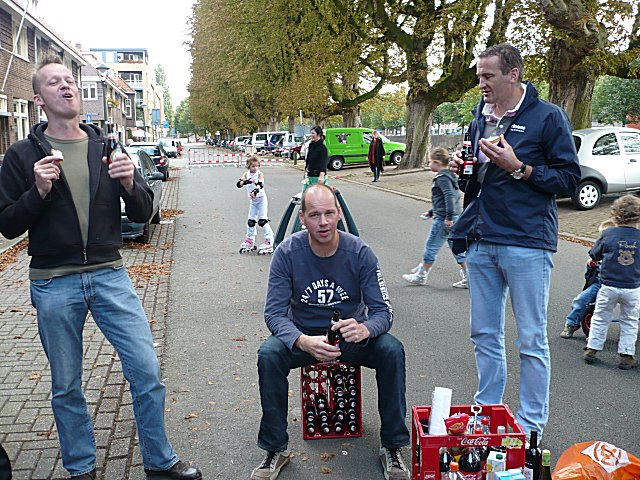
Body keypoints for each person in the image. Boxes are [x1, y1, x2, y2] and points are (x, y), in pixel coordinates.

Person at [0, 57, 201, 480]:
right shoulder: (21, 155)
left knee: (146, 369)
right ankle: (81, 468)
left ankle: (159, 461)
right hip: (54, 281)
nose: (66, 87)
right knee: (67, 385)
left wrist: (130, 183)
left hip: (110, 273)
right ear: (38, 99)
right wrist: (38, 190)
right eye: (54, 83)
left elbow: (144, 212)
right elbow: (8, 225)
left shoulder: (105, 147)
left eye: (69, 80)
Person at [448, 43, 581, 437]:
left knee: (532, 339)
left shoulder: (548, 117)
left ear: (513, 74)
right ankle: (487, 411)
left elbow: (569, 181)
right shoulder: (480, 117)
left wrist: (520, 168)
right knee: (484, 334)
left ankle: (531, 425)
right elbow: (476, 183)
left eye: (488, 76)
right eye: (479, 77)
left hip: (527, 242)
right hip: (481, 238)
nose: (481, 84)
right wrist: (462, 170)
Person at [251, 184, 410, 480]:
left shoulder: (360, 252)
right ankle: (275, 448)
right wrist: (301, 340)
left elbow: (384, 312)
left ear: (338, 214)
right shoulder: (287, 253)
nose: (323, 222)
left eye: (328, 213)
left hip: (350, 337)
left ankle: (392, 445)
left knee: (391, 350)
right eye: (314, 215)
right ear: (302, 218)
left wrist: (364, 329)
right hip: (305, 336)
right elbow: (273, 314)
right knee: (269, 354)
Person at [583, 195, 640, 369]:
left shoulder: (608, 234)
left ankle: (592, 348)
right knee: (630, 321)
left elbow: (595, 254)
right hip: (632, 288)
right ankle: (626, 355)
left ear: (615, 215)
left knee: (600, 317)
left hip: (608, 286)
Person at [402, 147, 467, 288]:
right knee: (457, 248)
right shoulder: (450, 176)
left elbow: (449, 197)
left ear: (437, 162)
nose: (429, 164)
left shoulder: (442, 178)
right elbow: (448, 199)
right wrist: (431, 212)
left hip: (444, 219)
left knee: (431, 246)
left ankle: (421, 275)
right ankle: (469, 276)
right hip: (455, 217)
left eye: (430, 161)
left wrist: (448, 217)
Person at [560, 219, 616, 339]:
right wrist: (591, 262)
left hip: (616, 285)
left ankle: (598, 333)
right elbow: (593, 258)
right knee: (580, 300)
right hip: (599, 283)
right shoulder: (599, 251)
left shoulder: (619, 252)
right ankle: (572, 324)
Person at [236, 155, 274, 254]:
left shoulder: (260, 174)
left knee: (262, 221)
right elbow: (239, 184)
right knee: (251, 221)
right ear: (249, 166)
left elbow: (260, 185)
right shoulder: (246, 174)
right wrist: (246, 181)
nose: (255, 168)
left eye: (257, 166)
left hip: (261, 200)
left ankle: (269, 240)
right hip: (253, 201)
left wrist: (255, 191)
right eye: (253, 166)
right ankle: (250, 240)